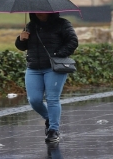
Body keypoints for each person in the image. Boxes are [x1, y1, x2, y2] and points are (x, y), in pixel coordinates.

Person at [15, 12, 79, 143]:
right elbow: (22, 47)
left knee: (52, 99)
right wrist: (21, 39)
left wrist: (58, 55)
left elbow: (73, 41)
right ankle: (50, 119)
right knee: (34, 100)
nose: (39, 12)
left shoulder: (62, 24)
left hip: (53, 67)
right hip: (33, 67)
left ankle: (53, 130)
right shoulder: (30, 25)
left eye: (42, 9)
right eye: (36, 10)